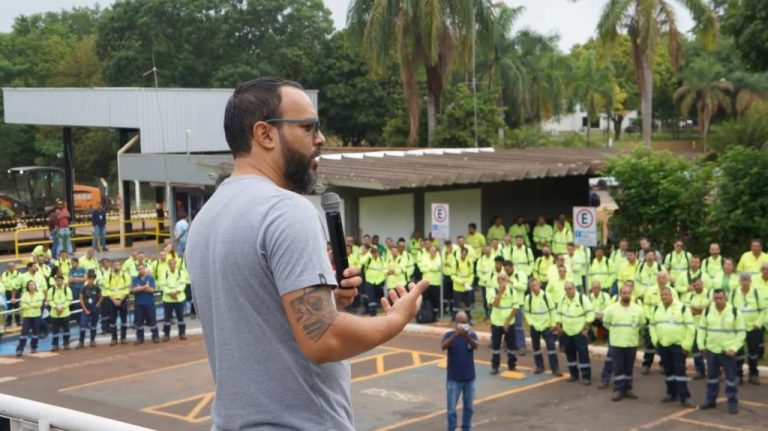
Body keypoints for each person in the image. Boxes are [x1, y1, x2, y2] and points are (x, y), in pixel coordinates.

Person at [185, 78, 427, 430]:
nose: (321, 138)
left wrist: (329, 302)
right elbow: (322, 337)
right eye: (308, 126)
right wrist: (395, 319)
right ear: (265, 134)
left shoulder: (206, 219)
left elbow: (263, 320)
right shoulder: (286, 210)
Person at [698, 289, 746, 414]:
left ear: (726, 298)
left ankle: (732, 402)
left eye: (720, 298)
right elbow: (702, 329)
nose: (718, 301)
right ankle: (710, 400)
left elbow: (741, 333)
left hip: (727, 352)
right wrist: (701, 344)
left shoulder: (735, 312)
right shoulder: (708, 310)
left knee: (731, 379)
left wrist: (734, 348)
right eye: (716, 298)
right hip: (712, 350)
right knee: (712, 377)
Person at [649, 286, 695, 408]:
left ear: (672, 295)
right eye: (662, 295)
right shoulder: (656, 308)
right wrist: (655, 340)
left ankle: (684, 397)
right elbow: (652, 326)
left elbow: (690, 327)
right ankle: (671, 393)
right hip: (663, 345)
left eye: (666, 294)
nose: (664, 297)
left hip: (678, 345)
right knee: (668, 371)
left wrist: (686, 345)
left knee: (679, 371)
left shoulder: (682, 308)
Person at [603, 284, 647, 401]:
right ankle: (618, 390)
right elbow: (606, 323)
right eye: (624, 293)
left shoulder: (638, 309)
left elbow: (642, 323)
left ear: (631, 294)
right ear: (620, 294)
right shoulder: (611, 309)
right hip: (616, 343)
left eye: (628, 293)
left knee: (628, 368)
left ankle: (628, 389)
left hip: (631, 343)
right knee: (618, 368)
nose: (626, 295)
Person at [441, 311, 478, 431]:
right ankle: (451, 429)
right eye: (460, 323)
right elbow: (443, 346)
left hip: (469, 378)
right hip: (453, 378)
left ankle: (466, 428)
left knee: (469, 408)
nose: (462, 326)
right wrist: (456, 335)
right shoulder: (449, 335)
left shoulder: (472, 335)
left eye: (465, 323)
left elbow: (475, 346)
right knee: (451, 409)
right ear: (455, 323)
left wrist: (466, 336)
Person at [730, 273, 765, 385]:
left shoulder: (756, 293)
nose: (744, 281)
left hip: (753, 328)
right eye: (742, 279)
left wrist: (758, 323)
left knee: (753, 353)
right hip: (738, 329)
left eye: (746, 279)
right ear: (739, 281)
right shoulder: (734, 292)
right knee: (738, 353)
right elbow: (729, 309)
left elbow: (763, 310)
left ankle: (753, 375)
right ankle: (738, 375)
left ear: (750, 281)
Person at [557, 281, 594, 384]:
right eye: (566, 289)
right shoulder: (562, 299)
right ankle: (573, 374)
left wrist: (585, 328)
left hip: (579, 332)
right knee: (570, 354)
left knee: (583, 355)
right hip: (567, 332)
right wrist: (558, 325)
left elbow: (590, 314)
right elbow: (558, 313)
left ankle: (586, 376)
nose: (568, 291)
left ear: (574, 288)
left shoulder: (582, 299)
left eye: (570, 288)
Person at [523, 278, 561, 375]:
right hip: (535, 326)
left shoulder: (546, 296)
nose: (534, 288)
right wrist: (531, 323)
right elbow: (526, 312)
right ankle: (539, 366)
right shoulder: (528, 298)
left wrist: (553, 324)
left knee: (551, 347)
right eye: (532, 286)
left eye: (536, 285)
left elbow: (552, 310)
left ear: (539, 285)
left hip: (546, 325)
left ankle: (555, 369)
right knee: (536, 348)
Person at [487, 271, 520, 375]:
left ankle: (512, 365)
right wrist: (500, 293)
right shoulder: (492, 290)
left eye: (503, 279)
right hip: (496, 322)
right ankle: (495, 366)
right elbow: (494, 305)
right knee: (495, 346)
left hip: (509, 323)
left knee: (511, 346)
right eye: (499, 279)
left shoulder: (512, 291)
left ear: (507, 280)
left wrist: (507, 321)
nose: (501, 281)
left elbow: (516, 308)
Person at [683, 277, 710, 378]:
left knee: (709, 350)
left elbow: (710, 308)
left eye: (698, 284)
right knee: (696, 350)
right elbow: (688, 310)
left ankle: (714, 371)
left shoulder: (709, 293)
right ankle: (700, 371)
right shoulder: (689, 295)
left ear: (702, 283)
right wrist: (701, 309)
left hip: (707, 327)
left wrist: (697, 309)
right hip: (694, 326)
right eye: (694, 285)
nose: (696, 287)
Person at [160, 259, 188, 341]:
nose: (172, 265)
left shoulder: (180, 273)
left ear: (175, 264)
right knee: (167, 318)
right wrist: (170, 293)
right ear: (168, 265)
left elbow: (183, 284)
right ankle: (166, 334)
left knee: (180, 317)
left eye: (173, 264)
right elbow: (162, 285)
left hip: (179, 298)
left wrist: (177, 292)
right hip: (168, 299)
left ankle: (182, 333)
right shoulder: (164, 274)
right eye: (170, 264)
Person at [104, 260, 131, 346]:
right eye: (115, 265)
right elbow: (106, 290)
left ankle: (123, 337)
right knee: (112, 321)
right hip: (112, 301)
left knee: (124, 320)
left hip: (122, 300)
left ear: (120, 266)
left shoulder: (125, 275)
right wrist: (114, 300)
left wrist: (121, 300)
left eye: (118, 265)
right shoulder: (108, 276)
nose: (116, 266)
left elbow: (127, 289)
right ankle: (114, 338)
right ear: (112, 267)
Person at [15, 280, 45, 357]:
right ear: (27, 286)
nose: (32, 286)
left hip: (36, 316)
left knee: (35, 333)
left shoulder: (39, 294)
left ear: (35, 286)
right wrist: (33, 305)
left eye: (33, 285)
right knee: (24, 333)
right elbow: (22, 305)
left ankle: (34, 347)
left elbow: (39, 304)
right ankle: (20, 349)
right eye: (30, 285)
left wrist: (29, 304)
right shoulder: (24, 294)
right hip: (27, 316)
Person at [132, 263, 160, 345]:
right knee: (139, 322)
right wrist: (145, 287)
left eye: (142, 268)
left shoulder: (150, 278)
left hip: (149, 303)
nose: (140, 270)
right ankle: (140, 338)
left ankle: (155, 336)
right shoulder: (135, 279)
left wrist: (140, 287)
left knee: (153, 321)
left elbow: (151, 290)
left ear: (145, 269)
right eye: (139, 269)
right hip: (139, 304)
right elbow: (134, 290)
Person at [77, 270, 101, 348]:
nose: (91, 280)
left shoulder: (97, 288)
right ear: (87, 279)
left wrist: (98, 303)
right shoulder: (83, 288)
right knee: (82, 326)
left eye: (93, 279)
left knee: (94, 326)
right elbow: (81, 299)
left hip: (95, 309)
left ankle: (92, 341)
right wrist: (85, 309)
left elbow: (101, 296)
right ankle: (81, 342)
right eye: (90, 278)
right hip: (86, 309)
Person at [48, 275, 72, 351]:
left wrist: (62, 308)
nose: (59, 282)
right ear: (55, 281)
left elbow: (69, 300)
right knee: (55, 331)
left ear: (63, 281)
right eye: (57, 280)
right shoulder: (51, 290)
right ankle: (55, 345)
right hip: (54, 314)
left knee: (66, 330)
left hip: (65, 313)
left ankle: (66, 343)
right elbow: (50, 300)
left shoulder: (67, 289)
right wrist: (55, 307)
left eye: (60, 280)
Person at [3, 262, 21, 327]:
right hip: (7, 293)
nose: (11, 268)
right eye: (9, 266)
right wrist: (12, 285)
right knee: (9, 309)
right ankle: (9, 322)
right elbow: (5, 284)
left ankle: (18, 321)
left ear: (14, 266)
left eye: (12, 266)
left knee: (17, 308)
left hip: (17, 292)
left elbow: (17, 284)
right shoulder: (4, 274)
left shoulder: (19, 273)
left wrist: (12, 285)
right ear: (7, 267)